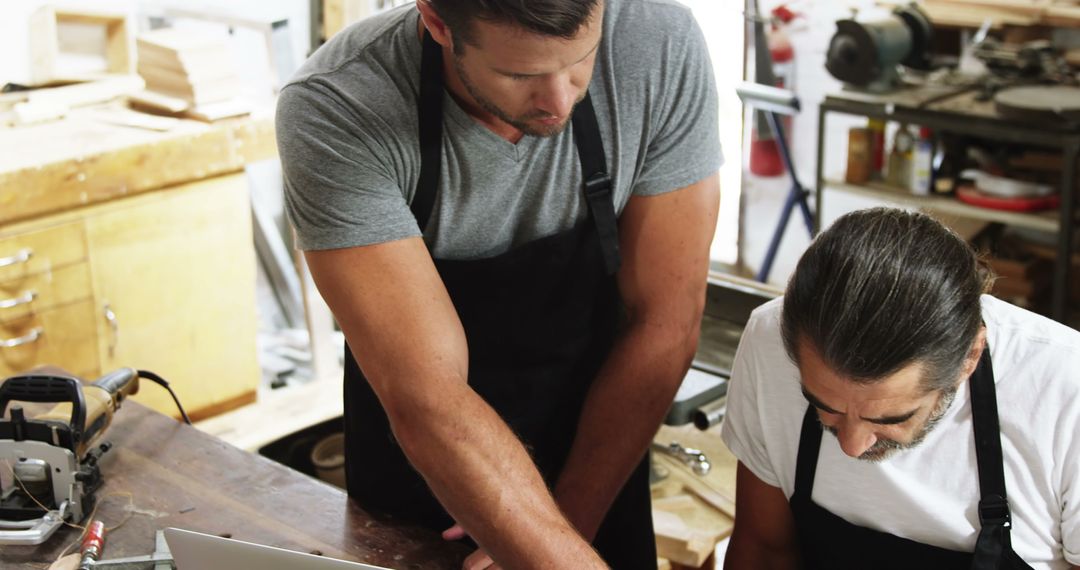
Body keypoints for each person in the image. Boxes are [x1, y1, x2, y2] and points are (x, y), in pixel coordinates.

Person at [276, 0, 722, 567]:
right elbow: (429, 397)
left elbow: (665, 322)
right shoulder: (337, 107)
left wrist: (569, 528)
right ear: (437, 23)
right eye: (521, 74)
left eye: (581, 59)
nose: (560, 101)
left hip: (600, 456)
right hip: (424, 473)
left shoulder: (658, 45)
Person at [721, 207, 1080, 569]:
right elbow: (764, 550)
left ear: (969, 356)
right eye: (823, 405)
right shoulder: (770, 340)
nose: (852, 445)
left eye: (891, 417)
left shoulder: (1064, 388)